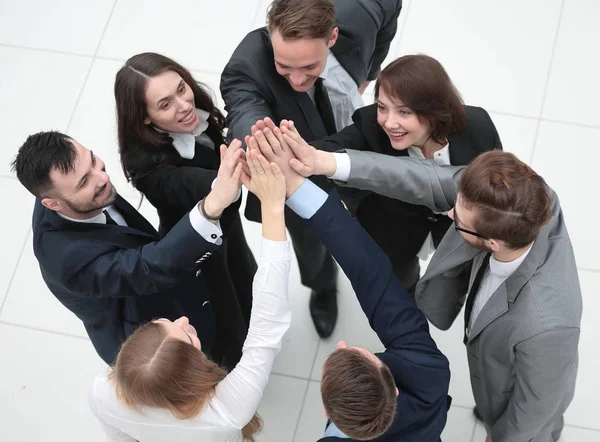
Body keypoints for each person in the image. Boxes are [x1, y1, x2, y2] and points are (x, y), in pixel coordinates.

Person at [282, 132, 582, 442]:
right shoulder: (525, 200)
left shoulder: (546, 326)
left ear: (494, 242)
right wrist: (327, 163)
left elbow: (539, 405)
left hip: (509, 393)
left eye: (458, 220)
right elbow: (427, 181)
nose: (449, 212)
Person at [247, 128, 450, 441]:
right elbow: (371, 273)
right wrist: (296, 187)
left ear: (328, 414)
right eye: (365, 354)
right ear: (393, 387)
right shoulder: (427, 373)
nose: (342, 345)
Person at [221, 0, 403, 338]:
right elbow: (245, 109)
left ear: (332, 37)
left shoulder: (363, 9)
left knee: (384, 212)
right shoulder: (246, 65)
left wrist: (370, 72)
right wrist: (258, 144)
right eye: (284, 67)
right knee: (311, 243)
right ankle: (323, 287)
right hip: (296, 174)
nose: (297, 78)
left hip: (358, 141)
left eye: (309, 66)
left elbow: (390, 9)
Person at [89, 151, 291, 442]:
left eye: (160, 324)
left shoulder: (103, 394)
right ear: (191, 374)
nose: (184, 319)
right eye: (187, 336)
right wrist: (273, 206)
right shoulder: (228, 409)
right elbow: (267, 325)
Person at [11, 131, 244, 365]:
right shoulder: (68, 260)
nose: (101, 177)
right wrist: (212, 205)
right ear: (53, 204)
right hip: (146, 336)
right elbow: (144, 268)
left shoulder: (71, 188)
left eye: (93, 160)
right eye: (84, 182)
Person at [308, 54, 502, 293]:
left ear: (434, 111)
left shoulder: (478, 126)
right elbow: (327, 150)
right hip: (392, 233)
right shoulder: (370, 129)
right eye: (382, 108)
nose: (389, 122)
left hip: (454, 233)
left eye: (404, 112)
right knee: (400, 282)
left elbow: (495, 184)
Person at [115, 52, 257, 368]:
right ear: (145, 118)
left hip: (227, 228)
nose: (184, 105)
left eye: (182, 88)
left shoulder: (199, 109)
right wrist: (244, 164)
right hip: (195, 248)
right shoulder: (149, 167)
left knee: (246, 275)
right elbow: (203, 184)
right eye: (165, 104)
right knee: (224, 312)